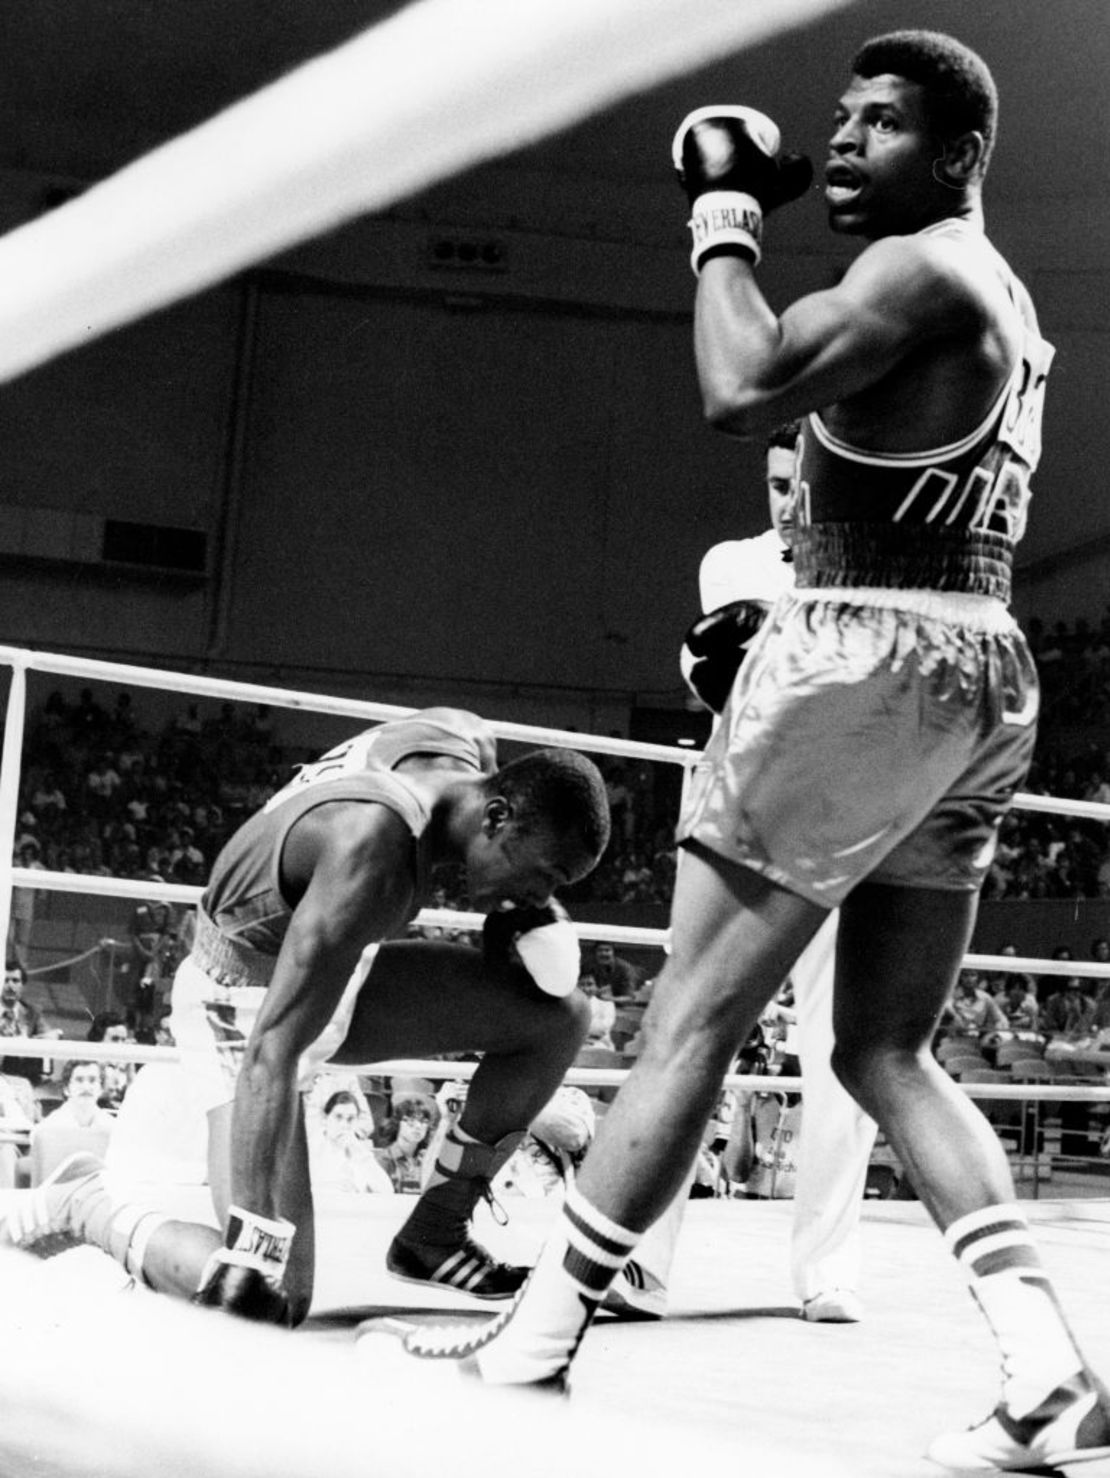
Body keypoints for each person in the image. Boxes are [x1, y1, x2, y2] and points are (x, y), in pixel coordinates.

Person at [401, 33, 1110, 1472]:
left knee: (686, 1025)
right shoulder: (1000, 298)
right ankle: (1050, 1366)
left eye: (883, 124)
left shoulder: (916, 275)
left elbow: (739, 385)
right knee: (880, 1044)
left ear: (960, 155)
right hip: (974, 660)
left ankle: (530, 1344)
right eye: (836, 120)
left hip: (862, 660)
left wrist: (722, 222)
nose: (841, 142)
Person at [1, 707, 610, 1327]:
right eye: (544, 876)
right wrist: (253, 1243)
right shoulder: (373, 849)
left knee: (559, 1018)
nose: (540, 897)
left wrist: (520, 910)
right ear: (497, 817)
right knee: (271, 1299)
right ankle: (83, 1204)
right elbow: (271, 1049)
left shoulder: (464, 737)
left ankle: (435, 1234)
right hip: (241, 1004)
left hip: (337, 964)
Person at [631, 425, 877, 1324]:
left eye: (798, 483)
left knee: (841, 1053)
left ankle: (827, 1272)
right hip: (740, 820)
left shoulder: (876, 568)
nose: (784, 498)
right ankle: (642, 1262)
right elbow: (772, 673)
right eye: (774, 482)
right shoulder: (734, 563)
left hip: (847, 824)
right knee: (692, 1031)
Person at [29, 1060, 115, 1186]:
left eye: (92, 1080)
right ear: (66, 1089)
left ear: (101, 1088)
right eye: (79, 1080)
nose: (86, 1087)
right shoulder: (49, 1128)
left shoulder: (114, 1128)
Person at [309, 1089, 394, 1195]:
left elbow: (387, 1191)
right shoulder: (310, 1150)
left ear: (357, 1122)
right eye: (338, 1117)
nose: (344, 1125)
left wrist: (358, 1152)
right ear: (326, 1119)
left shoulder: (360, 1152)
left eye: (350, 1119)